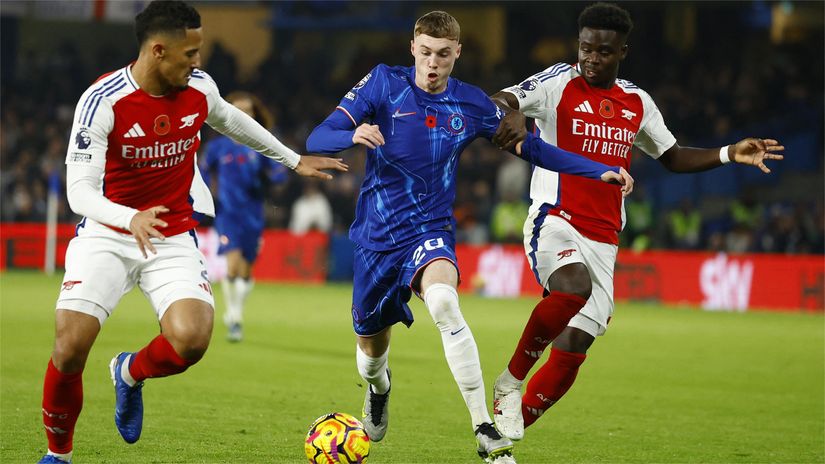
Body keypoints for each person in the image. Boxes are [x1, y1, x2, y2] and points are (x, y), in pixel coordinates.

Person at [306, 11, 633, 464]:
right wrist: (351, 131)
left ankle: (484, 429)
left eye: (443, 54)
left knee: (443, 302)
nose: (433, 63)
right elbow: (318, 135)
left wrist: (598, 170)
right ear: (412, 49)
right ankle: (379, 389)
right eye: (425, 53)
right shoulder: (382, 83)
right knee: (370, 349)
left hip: (430, 229)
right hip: (376, 237)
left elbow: (534, 149)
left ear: (457, 52)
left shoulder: (473, 104)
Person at [38, 2, 347, 463]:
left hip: (171, 234)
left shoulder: (199, 88)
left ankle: (128, 373)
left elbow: (233, 121)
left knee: (192, 340)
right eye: (190, 53)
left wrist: (292, 158)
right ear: (158, 50)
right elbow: (79, 193)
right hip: (108, 231)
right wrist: (129, 218)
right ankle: (57, 455)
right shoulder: (103, 101)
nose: (198, 61)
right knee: (69, 347)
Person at [488, 2, 784, 442]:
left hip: (604, 236)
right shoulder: (557, 83)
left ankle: (501, 436)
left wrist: (728, 153)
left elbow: (673, 156)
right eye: (585, 48)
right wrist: (511, 111)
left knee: (574, 347)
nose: (591, 58)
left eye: (603, 51)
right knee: (573, 286)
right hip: (556, 217)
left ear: (622, 51)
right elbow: (503, 99)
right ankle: (509, 383)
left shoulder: (636, 102)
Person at [200, 91, 289, 342]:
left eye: (247, 111)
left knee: (247, 271)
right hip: (228, 214)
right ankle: (235, 317)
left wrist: (273, 177)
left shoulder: (261, 144)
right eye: (236, 109)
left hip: (254, 214)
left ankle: (235, 312)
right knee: (233, 264)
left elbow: (279, 172)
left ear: (253, 115)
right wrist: (205, 194)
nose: (242, 114)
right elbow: (202, 172)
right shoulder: (217, 147)